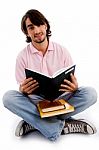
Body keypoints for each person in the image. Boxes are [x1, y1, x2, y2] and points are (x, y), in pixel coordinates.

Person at [2, 9, 97, 141]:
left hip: (62, 100)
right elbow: (21, 89)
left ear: (46, 26)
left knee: (91, 93)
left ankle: (35, 123)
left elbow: (71, 81)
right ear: (26, 32)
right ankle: (60, 127)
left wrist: (74, 88)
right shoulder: (22, 57)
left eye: (39, 24)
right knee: (8, 98)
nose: (36, 31)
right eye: (31, 27)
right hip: (37, 102)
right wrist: (22, 90)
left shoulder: (62, 51)